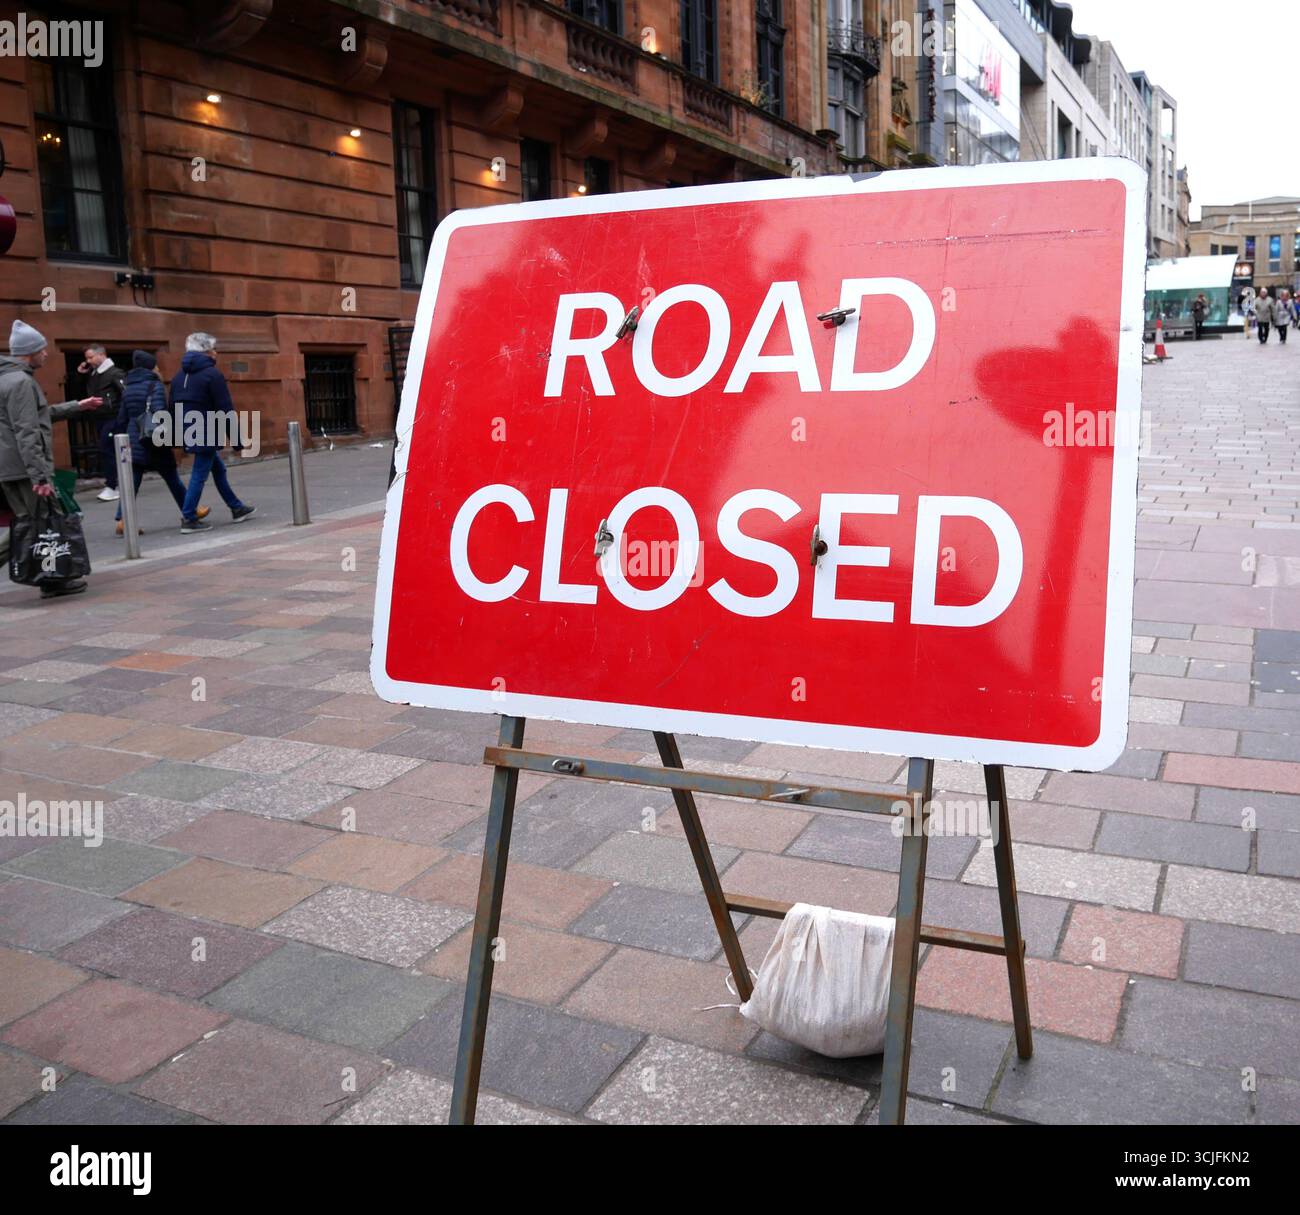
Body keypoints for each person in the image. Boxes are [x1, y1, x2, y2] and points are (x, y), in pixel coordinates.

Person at [0, 320, 102, 598]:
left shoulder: (7, 378)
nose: (47, 354)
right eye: (42, 349)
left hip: (12, 466)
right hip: (24, 468)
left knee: (33, 523)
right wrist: (40, 477)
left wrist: (76, 406)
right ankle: (53, 580)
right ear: (28, 352)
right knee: (39, 523)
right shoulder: (20, 382)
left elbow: (34, 417)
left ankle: (53, 578)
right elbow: (26, 431)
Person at [109, 350, 210, 535]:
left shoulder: (128, 386)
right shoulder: (154, 385)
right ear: (151, 367)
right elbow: (159, 412)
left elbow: (122, 417)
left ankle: (123, 520)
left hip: (134, 438)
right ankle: (190, 509)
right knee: (172, 477)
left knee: (132, 481)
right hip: (154, 438)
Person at [169, 332, 255, 533]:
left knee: (218, 470)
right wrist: (236, 439)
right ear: (206, 351)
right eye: (213, 349)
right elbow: (225, 408)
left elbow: (171, 408)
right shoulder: (212, 375)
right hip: (207, 429)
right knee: (199, 473)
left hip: (189, 428)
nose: (216, 353)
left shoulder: (178, 376)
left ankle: (236, 507)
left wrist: (175, 434)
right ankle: (189, 517)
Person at [79, 344, 127, 501]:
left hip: (113, 418)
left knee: (108, 450)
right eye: (87, 358)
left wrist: (122, 417)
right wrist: (83, 374)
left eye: (91, 357)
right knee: (108, 451)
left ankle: (113, 486)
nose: (88, 361)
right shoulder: (94, 375)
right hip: (100, 418)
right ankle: (117, 484)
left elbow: (125, 394)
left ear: (102, 355)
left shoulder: (114, 373)